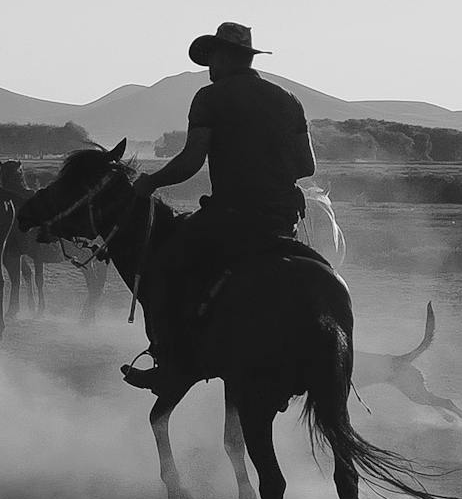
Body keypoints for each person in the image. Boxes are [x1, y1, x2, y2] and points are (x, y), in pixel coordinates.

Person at [121, 22, 318, 398]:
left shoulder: (210, 98)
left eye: (211, 59)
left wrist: (149, 183)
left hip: (231, 217)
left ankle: (168, 361)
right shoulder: (288, 99)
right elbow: (306, 167)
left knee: (164, 267)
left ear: (225, 58)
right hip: (282, 221)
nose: (208, 67)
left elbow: (192, 160)